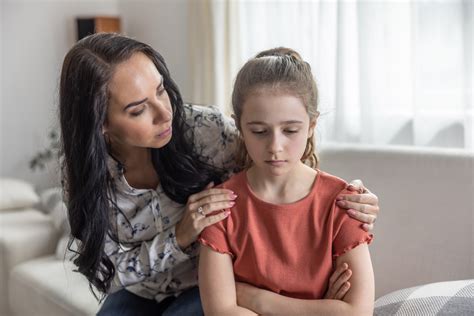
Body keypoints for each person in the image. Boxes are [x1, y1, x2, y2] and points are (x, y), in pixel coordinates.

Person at [58, 33, 379, 316]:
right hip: (141, 289)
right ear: (101, 123)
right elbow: (106, 270)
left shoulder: (206, 131)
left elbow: (279, 166)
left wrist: (351, 200)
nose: (164, 112)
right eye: (138, 109)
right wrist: (180, 237)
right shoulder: (83, 172)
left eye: (161, 90)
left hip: (206, 283)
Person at [198, 47, 375, 315]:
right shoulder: (222, 208)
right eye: (259, 131)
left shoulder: (342, 202)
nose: (275, 146)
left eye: (290, 130)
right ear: (239, 126)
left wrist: (258, 301)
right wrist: (320, 310)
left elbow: (357, 312)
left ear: (311, 125)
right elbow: (221, 312)